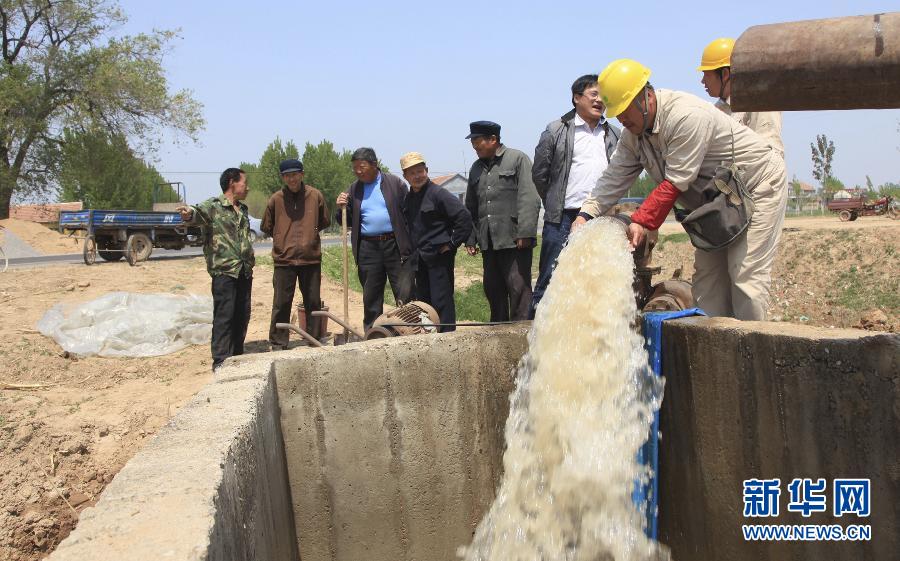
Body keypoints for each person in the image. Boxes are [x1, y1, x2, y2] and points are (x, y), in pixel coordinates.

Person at [573, 59, 788, 320]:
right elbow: (614, 176)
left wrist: (641, 221)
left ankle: (751, 355)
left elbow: (676, 182)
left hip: (756, 186)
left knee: (745, 279)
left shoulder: (685, 115)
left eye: (625, 110)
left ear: (646, 97)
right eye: (616, 112)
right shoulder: (634, 134)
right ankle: (717, 354)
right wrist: (585, 215)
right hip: (716, 201)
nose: (621, 119)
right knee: (708, 285)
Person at [531, 74, 621, 318]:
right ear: (577, 98)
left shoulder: (613, 132)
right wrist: (553, 201)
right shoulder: (556, 130)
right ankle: (535, 331)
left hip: (601, 216)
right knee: (551, 275)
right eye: (594, 95)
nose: (599, 100)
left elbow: (622, 172)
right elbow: (540, 173)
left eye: (603, 96)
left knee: (598, 276)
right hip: (563, 216)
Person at [178, 168, 255, 371]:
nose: (247, 187)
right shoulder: (213, 206)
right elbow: (195, 213)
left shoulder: (243, 210)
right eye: (244, 183)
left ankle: (237, 356)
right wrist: (187, 214)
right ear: (232, 183)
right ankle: (221, 360)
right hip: (224, 272)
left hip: (244, 271)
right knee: (224, 316)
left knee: (242, 315)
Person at [464, 121, 541, 322]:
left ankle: (520, 335)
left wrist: (525, 232)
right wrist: (470, 238)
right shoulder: (475, 168)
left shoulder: (517, 159)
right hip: (489, 241)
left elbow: (529, 197)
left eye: (477, 141)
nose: (474, 146)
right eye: (472, 142)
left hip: (514, 239)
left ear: (493, 140)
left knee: (518, 288)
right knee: (493, 289)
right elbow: (471, 206)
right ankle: (497, 334)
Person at [335, 147, 414, 331]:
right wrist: (341, 207)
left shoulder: (395, 184)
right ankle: (373, 333)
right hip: (368, 248)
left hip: (395, 245)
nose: (358, 171)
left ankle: (408, 330)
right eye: (354, 168)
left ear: (374, 164)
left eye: (361, 166)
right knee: (371, 295)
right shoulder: (354, 190)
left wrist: (409, 244)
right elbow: (344, 221)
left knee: (404, 291)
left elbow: (409, 213)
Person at [399, 151, 473, 332]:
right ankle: (430, 336)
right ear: (405, 177)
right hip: (420, 259)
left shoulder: (439, 194)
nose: (417, 176)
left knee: (442, 300)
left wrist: (453, 243)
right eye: (412, 173)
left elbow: (464, 218)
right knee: (424, 302)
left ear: (426, 170)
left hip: (439, 258)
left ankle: (448, 337)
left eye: (420, 171)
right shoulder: (409, 199)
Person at [262, 158, 331, 349]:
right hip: (284, 260)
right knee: (281, 303)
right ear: (283, 177)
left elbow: (324, 220)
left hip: (310, 259)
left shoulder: (315, 195)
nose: (291, 179)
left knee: (313, 301)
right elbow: (267, 226)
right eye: (287, 176)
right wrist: (282, 238)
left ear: (302, 174)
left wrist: (309, 236)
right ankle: (278, 342)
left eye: (294, 174)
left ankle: (314, 339)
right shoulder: (276, 199)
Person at [698, 37, 784, 158]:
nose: (702, 81)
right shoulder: (717, 110)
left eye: (706, 74)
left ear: (725, 74)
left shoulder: (760, 104)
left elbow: (771, 156)